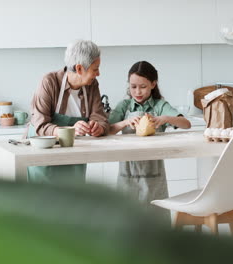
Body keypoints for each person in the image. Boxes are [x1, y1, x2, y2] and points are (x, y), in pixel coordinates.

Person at [108, 61, 191, 223]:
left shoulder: (160, 106)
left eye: (143, 86)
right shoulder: (124, 106)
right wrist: (125, 122)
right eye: (133, 86)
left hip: (154, 173)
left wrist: (164, 118)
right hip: (127, 172)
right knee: (127, 219)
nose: (137, 91)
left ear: (153, 84)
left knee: (155, 219)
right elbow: (109, 129)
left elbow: (186, 124)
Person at [27, 40, 109, 184]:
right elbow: (40, 125)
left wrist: (98, 126)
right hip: (46, 156)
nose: (98, 73)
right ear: (79, 69)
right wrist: (69, 131)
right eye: (95, 69)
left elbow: (99, 116)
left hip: (75, 156)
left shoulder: (92, 85)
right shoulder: (49, 82)